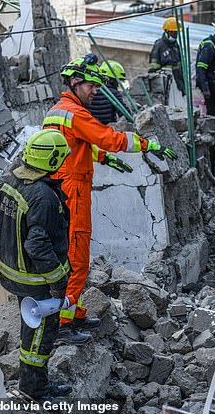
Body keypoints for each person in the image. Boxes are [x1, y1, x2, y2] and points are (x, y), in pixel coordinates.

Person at [43, 54, 178, 345]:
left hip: (61, 186)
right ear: (75, 82)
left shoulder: (60, 110)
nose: (95, 91)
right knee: (77, 257)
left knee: (71, 253)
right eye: (91, 86)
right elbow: (107, 137)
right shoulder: (76, 114)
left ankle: (73, 310)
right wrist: (145, 144)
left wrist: (104, 159)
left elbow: (76, 144)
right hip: (73, 189)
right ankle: (64, 325)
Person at [0, 129, 73, 401]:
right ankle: (34, 392)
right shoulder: (42, 196)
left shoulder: (11, 181)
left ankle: (36, 383)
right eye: (61, 158)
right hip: (36, 280)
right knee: (39, 337)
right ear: (51, 162)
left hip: (15, 273)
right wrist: (57, 281)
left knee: (31, 334)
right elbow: (37, 246)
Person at [149, 17, 185, 95]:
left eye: (176, 32)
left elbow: (180, 67)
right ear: (166, 31)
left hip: (176, 83)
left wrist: (183, 86)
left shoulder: (176, 45)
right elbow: (153, 68)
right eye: (173, 32)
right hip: (164, 83)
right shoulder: (159, 45)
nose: (175, 35)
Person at [87, 60, 129, 125]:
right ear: (111, 80)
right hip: (106, 130)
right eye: (117, 81)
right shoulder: (114, 93)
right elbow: (126, 114)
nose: (117, 84)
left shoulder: (90, 91)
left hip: (89, 127)